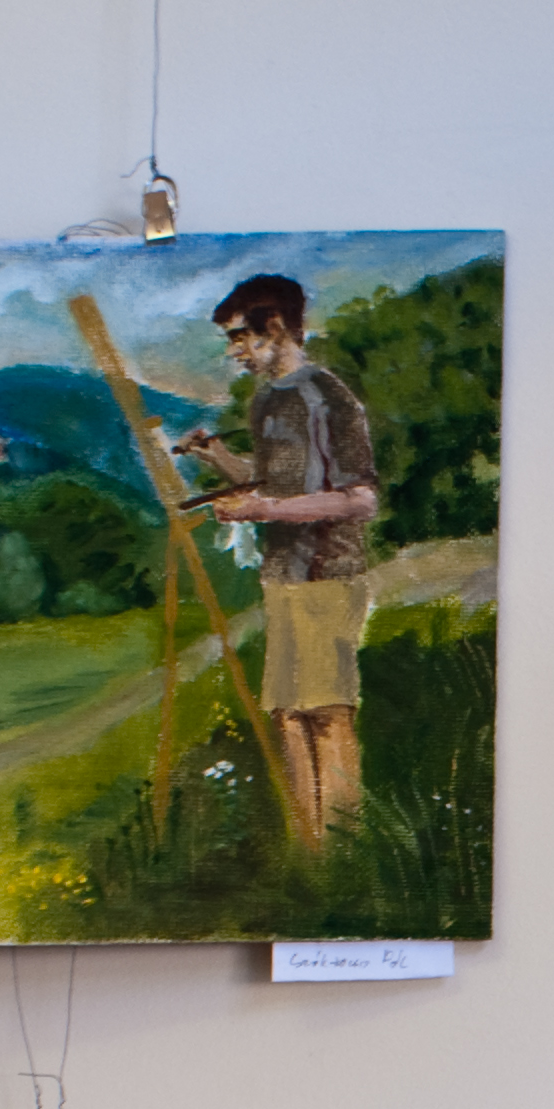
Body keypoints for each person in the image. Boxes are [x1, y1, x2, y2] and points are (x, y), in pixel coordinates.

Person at [180, 276, 381, 845]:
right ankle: (308, 855)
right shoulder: (267, 399)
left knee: (326, 714)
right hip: (284, 575)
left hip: (327, 573)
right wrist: (219, 459)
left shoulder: (328, 397)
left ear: (274, 327)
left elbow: (361, 499)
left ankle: (343, 851)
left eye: (239, 337)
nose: (234, 352)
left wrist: (263, 510)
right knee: (288, 716)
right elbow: (273, 484)